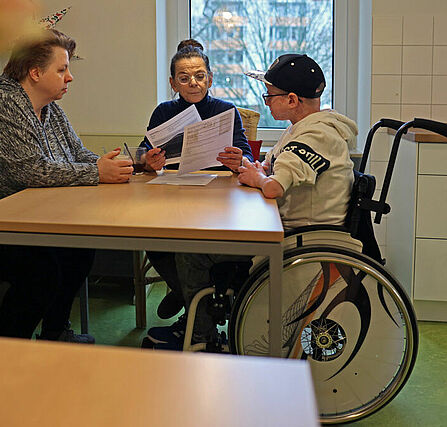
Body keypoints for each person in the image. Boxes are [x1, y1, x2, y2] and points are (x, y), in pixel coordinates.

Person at [0, 29, 133, 343]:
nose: (70, 77)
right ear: (35, 72)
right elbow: (31, 172)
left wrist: (116, 166)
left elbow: (78, 154)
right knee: (41, 269)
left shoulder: (49, 109)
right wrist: (96, 172)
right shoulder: (1, 105)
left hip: (2, 221)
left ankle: (55, 333)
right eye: (62, 69)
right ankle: (13, 353)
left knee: (79, 247)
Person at [146, 53, 358, 350]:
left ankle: (201, 337)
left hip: (299, 238)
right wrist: (259, 170)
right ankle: (204, 317)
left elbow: (273, 188)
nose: (267, 101)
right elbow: (273, 169)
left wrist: (259, 177)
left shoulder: (315, 135)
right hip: (287, 228)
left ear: (293, 99)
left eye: (270, 95)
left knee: (190, 252)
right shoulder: (302, 128)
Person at [140, 39, 254, 322]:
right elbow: (145, 151)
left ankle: (194, 307)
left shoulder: (226, 110)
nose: (193, 83)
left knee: (194, 246)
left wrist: (238, 159)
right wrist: (148, 161)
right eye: (184, 78)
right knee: (153, 239)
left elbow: (247, 156)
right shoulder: (164, 112)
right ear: (173, 83)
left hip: (217, 197)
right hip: (174, 194)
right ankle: (185, 292)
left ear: (210, 79)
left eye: (199, 76)